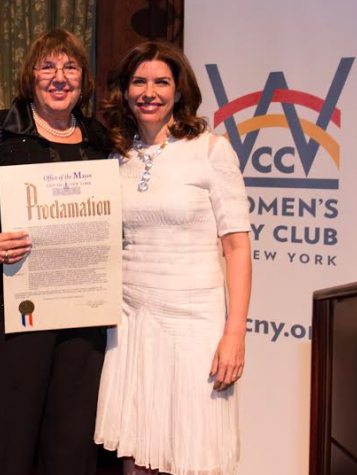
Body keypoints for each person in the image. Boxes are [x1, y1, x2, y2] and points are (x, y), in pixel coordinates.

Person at [0, 28, 109, 475]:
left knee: (70, 442)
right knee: (2, 442)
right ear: (30, 77)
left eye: (70, 67)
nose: (59, 77)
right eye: (47, 66)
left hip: (80, 316)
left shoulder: (99, 140)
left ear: (83, 79)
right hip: (6, 314)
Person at [93, 41, 252, 475]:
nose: (150, 92)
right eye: (138, 82)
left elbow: (237, 248)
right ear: (125, 92)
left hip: (194, 324)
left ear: (179, 91)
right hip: (131, 322)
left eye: (161, 82)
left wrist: (234, 333)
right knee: (137, 453)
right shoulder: (115, 157)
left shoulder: (210, 150)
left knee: (191, 453)